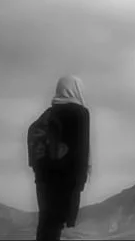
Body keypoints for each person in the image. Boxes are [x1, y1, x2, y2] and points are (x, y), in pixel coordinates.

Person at [31, 75, 91, 241]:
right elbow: (81, 149)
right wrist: (80, 181)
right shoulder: (80, 113)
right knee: (58, 224)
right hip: (66, 179)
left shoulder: (48, 114)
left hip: (44, 178)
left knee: (46, 223)